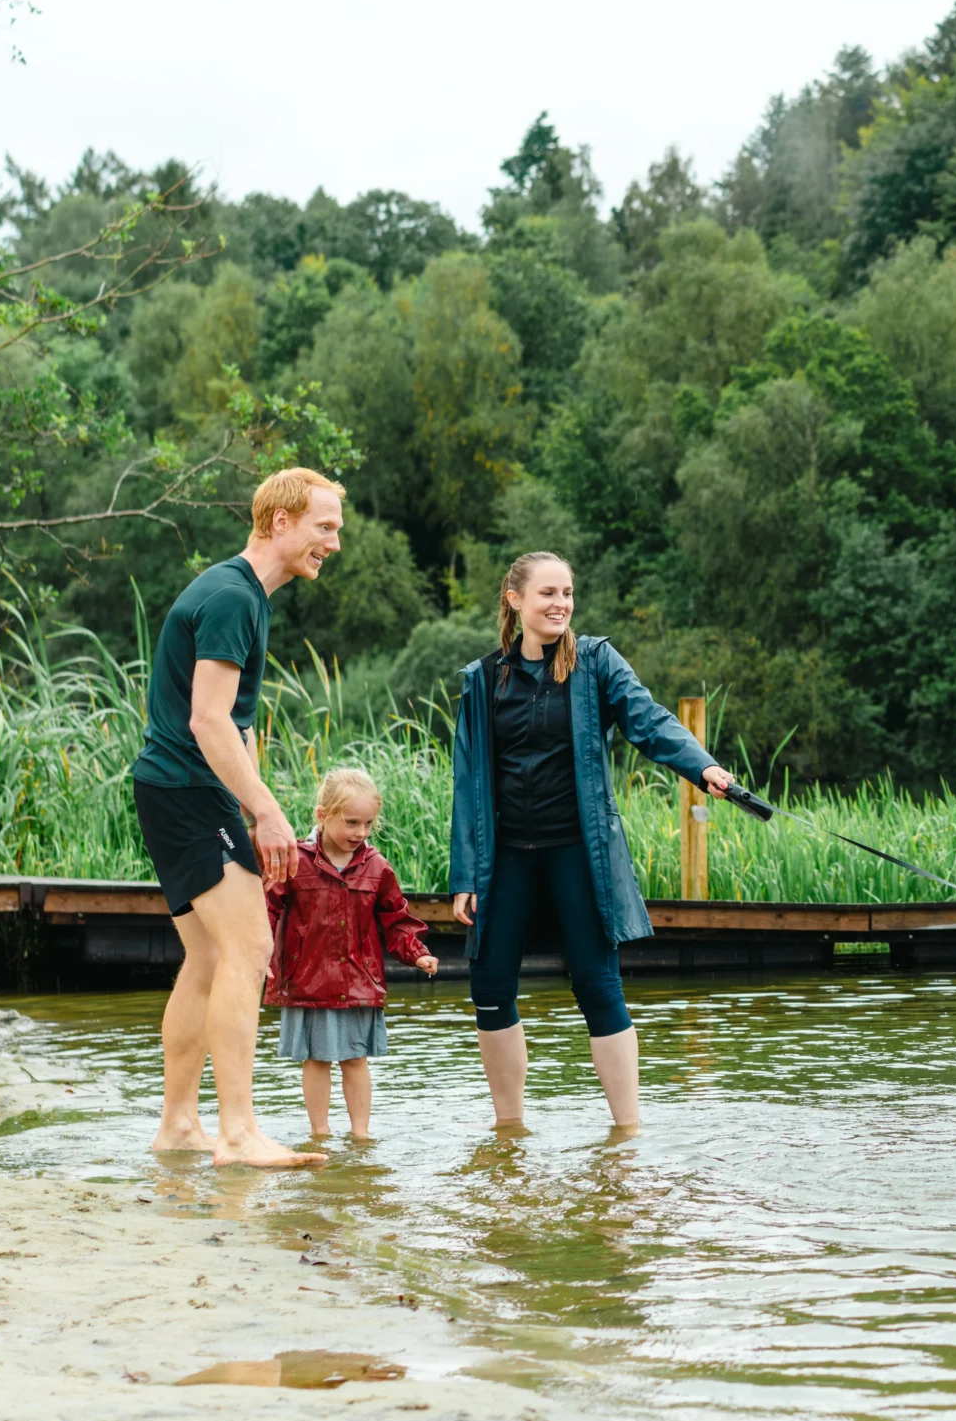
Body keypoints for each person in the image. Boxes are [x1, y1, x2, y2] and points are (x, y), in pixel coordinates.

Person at [447, 551, 735, 1132]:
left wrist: (703, 768)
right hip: (506, 860)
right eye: (548, 593)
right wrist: (464, 875)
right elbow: (467, 781)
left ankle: (625, 1134)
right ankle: (510, 1132)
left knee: (597, 985)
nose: (561, 604)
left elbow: (649, 722)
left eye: (568, 593)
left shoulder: (596, 663)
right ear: (515, 600)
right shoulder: (483, 680)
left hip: (579, 853)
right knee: (489, 987)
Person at [133, 467, 344, 1167]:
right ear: (280, 522)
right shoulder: (231, 597)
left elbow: (239, 727)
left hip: (182, 790)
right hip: (188, 788)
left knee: (209, 955)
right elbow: (207, 721)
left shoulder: (242, 595)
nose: (333, 542)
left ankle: (179, 1127)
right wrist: (269, 810)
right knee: (249, 950)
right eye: (324, 527)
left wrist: (254, 807)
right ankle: (236, 1134)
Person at [264, 767, 438, 1142]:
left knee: (356, 1059)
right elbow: (268, 908)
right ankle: (320, 1134)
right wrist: (259, 948)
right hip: (306, 979)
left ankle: (361, 1136)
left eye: (368, 824)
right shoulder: (295, 860)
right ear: (322, 816)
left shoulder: (376, 867)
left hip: (358, 980)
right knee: (317, 1059)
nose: (360, 832)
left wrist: (417, 952)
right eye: (352, 822)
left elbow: (396, 919)